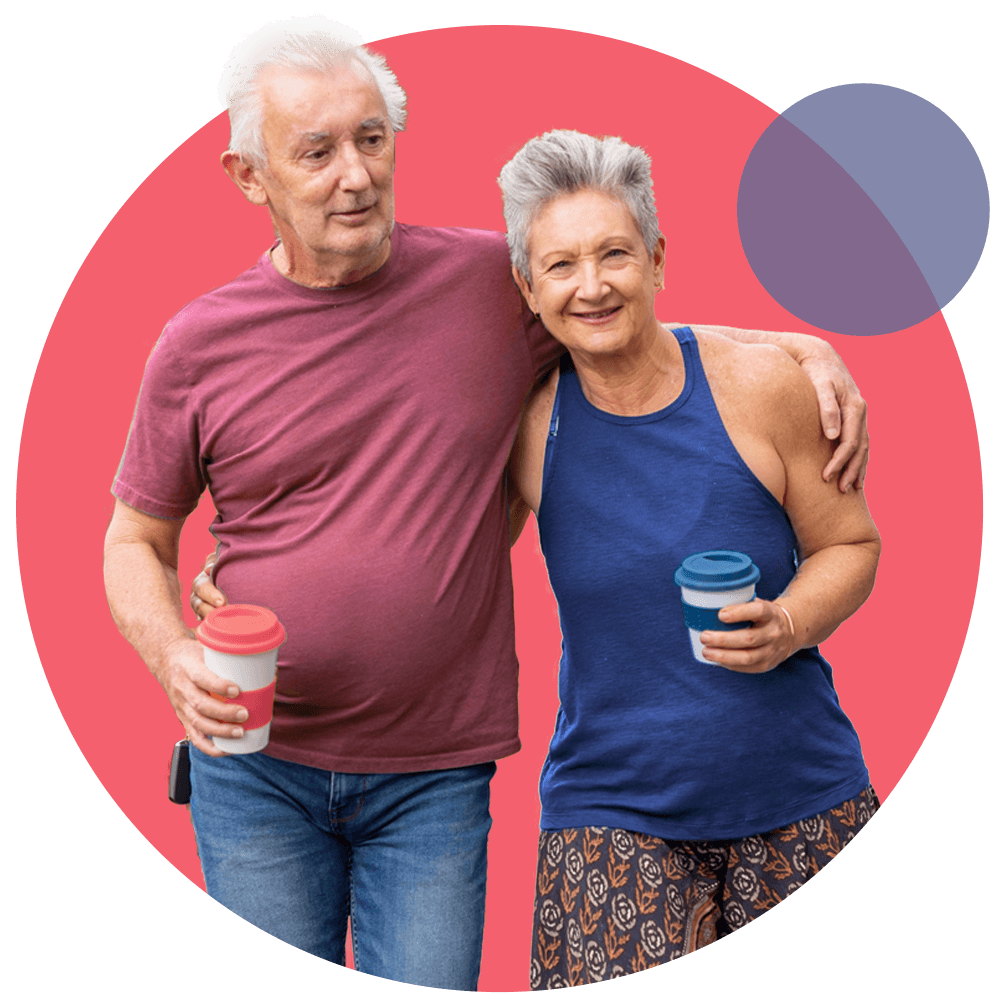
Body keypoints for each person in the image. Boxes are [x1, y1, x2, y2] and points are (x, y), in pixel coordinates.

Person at [106, 17, 868, 989]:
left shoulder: (484, 284)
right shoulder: (197, 343)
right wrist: (173, 655)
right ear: (250, 177)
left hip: (432, 774)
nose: (355, 175)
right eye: (317, 151)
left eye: (371, 139)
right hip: (255, 766)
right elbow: (135, 538)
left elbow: (614, 311)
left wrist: (797, 346)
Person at [492, 130, 881, 987]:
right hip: (610, 806)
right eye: (560, 266)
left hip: (801, 790)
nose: (592, 285)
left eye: (615, 254)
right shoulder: (526, 426)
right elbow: (430, 557)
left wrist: (788, 623)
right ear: (527, 286)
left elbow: (850, 545)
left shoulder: (762, 388)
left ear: (658, 259)